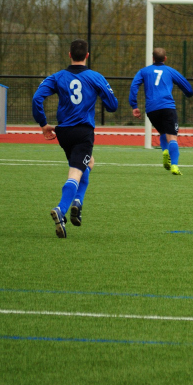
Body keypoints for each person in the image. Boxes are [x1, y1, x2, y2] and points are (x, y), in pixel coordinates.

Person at [32, 39, 118, 239]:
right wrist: (101, 96)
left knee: (88, 163)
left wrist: (43, 123)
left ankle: (77, 202)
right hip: (83, 132)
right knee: (75, 173)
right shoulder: (95, 77)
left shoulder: (57, 77)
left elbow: (37, 98)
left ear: (69, 55)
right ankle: (61, 209)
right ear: (87, 55)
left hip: (64, 133)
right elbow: (113, 105)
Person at [130, 48, 193, 175]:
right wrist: (188, 93)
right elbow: (187, 86)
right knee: (173, 137)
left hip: (152, 109)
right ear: (165, 58)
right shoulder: (170, 71)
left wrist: (134, 105)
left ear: (153, 58)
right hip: (167, 107)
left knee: (163, 132)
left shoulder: (143, 71)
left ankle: (165, 151)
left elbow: (134, 86)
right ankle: (174, 165)